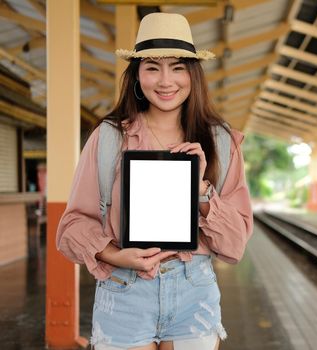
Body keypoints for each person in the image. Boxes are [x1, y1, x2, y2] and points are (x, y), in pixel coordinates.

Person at [56, 12, 253, 350]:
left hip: (195, 292)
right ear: (137, 75)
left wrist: (202, 189)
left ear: (193, 75)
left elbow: (234, 247)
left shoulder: (221, 141)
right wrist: (115, 256)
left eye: (177, 67)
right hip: (123, 290)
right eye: (152, 68)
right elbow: (71, 227)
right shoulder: (109, 138)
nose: (165, 81)